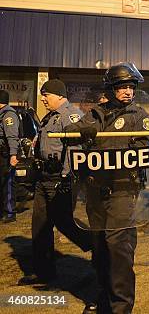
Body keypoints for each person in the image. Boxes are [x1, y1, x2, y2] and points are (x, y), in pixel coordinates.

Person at [66, 62, 149, 313]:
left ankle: (121, 306)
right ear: (111, 88)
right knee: (100, 244)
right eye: (122, 86)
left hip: (123, 190)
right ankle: (102, 296)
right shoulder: (96, 113)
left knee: (118, 246)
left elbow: (143, 149)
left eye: (130, 87)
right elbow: (71, 131)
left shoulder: (139, 117)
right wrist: (83, 133)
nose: (127, 91)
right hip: (94, 189)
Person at [18, 80, 92, 286]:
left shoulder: (71, 115)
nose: (43, 99)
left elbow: (75, 150)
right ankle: (43, 272)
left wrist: (68, 178)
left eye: (46, 95)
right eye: (42, 95)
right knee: (40, 227)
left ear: (60, 95)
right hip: (45, 178)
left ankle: (98, 246)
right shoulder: (50, 115)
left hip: (61, 178)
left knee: (64, 223)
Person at [0, 90, 19, 224]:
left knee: (7, 184)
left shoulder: (8, 115)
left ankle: (10, 212)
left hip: (5, 155)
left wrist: (13, 155)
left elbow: (12, 137)